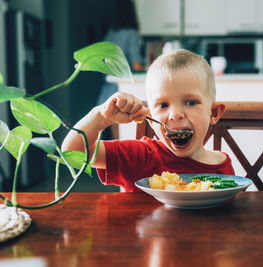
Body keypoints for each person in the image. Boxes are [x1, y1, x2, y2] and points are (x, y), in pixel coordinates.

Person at [61, 49, 234, 192]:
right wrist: (101, 117)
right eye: (163, 105)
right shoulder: (141, 156)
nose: (175, 114)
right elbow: (72, 151)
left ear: (213, 113)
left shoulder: (222, 166)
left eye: (190, 102)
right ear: (151, 120)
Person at [97, 0, 144, 139]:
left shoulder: (111, 32)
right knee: (122, 133)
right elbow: (137, 66)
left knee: (113, 130)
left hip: (107, 86)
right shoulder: (131, 33)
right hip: (121, 87)